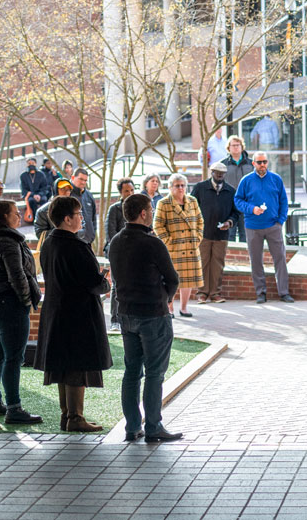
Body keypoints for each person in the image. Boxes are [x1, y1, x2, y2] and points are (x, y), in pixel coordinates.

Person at [107, 193, 184, 443]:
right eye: (150, 209)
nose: (152, 213)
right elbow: (172, 279)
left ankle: (131, 426)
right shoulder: (153, 243)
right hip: (153, 314)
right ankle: (153, 426)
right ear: (143, 213)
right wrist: (165, 298)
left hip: (126, 313)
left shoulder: (116, 242)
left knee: (131, 372)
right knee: (154, 373)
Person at [34, 195, 112, 432]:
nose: (81, 219)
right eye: (78, 215)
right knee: (77, 364)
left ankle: (66, 415)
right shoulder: (76, 246)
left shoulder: (48, 242)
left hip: (56, 309)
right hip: (78, 313)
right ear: (67, 219)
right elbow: (93, 283)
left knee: (63, 364)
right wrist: (105, 282)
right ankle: (76, 418)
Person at [0, 200, 43, 424]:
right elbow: (18, 275)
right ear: (3, 216)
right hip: (8, 303)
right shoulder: (8, 241)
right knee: (14, 357)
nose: (19, 215)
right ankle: (14, 409)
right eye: (15, 213)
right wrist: (26, 301)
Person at [233, 151, 292, 303]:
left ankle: (284, 293)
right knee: (256, 260)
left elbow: (284, 202)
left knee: (280, 259)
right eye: (259, 162)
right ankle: (261, 293)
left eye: (264, 162)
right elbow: (238, 200)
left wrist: (280, 221)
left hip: (273, 226)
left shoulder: (276, 179)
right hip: (253, 227)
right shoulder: (246, 181)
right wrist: (251, 209)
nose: (262, 165)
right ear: (253, 163)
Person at [154, 174, 204, 318]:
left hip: (191, 247)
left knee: (188, 280)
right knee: (171, 280)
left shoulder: (192, 201)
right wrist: (169, 242)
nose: (181, 188)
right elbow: (157, 225)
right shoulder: (164, 203)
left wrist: (198, 238)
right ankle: (169, 308)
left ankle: (184, 308)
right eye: (177, 185)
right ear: (170, 187)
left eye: (183, 185)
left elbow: (200, 221)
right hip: (173, 249)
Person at [191, 163, 241, 304]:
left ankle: (215, 293)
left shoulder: (231, 191)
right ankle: (201, 293)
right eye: (217, 172)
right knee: (202, 263)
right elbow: (191, 207)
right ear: (211, 172)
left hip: (222, 234)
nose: (220, 175)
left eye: (222, 173)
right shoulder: (200, 188)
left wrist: (229, 223)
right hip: (203, 233)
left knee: (218, 264)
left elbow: (236, 213)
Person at [104, 178, 135, 332]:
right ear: (120, 193)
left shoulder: (138, 207)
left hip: (135, 254)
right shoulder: (114, 209)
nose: (129, 193)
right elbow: (110, 233)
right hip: (118, 253)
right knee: (117, 286)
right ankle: (115, 319)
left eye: (131, 190)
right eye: (126, 191)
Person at [222, 135, 253, 243]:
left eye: (238, 145)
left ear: (242, 147)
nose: (235, 147)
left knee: (245, 233)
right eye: (233, 145)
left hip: (246, 202)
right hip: (229, 204)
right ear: (228, 148)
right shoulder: (223, 164)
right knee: (230, 233)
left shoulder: (251, 163)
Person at [34, 179, 74, 250]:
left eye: (68, 190)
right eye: (63, 189)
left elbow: (82, 227)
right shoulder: (43, 211)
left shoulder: (74, 208)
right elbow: (40, 234)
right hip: (53, 250)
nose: (66, 192)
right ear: (55, 190)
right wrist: (63, 232)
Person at [70, 169, 98, 247]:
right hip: (73, 240)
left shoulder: (89, 195)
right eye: (81, 179)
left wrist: (93, 233)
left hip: (88, 240)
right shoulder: (67, 194)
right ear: (73, 178)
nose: (83, 182)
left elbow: (93, 217)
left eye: (85, 180)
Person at [19, 156, 50, 223]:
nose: (31, 165)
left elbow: (45, 187)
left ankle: (45, 219)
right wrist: (33, 195)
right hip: (29, 195)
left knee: (44, 200)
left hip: (40, 194)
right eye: (29, 163)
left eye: (33, 163)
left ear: (35, 164)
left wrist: (39, 195)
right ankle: (35, 219)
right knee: (31, 201)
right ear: (27, 165)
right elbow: (23, 189)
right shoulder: (23, 175)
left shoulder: (41, 174)